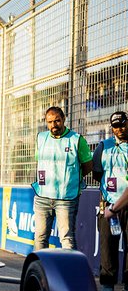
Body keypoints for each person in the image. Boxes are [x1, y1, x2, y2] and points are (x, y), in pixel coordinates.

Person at [32, 106, 93, 250]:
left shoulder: (76, 140)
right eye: (50, 122)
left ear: (64, 119)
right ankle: (41, 270)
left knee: (67, 238)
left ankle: (70, 272)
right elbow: (40, 161)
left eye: (57, 121)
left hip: (67, 199)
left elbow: (88, 166)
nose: (54, 125)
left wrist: (71, 178)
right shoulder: (40, 138)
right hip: (42, 197)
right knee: (40, 238)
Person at [93, 111, 128, 291]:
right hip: (108, 202)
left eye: (122, 124)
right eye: (116, 126)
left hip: (126, 201)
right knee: (107, 244)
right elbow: (97, 173)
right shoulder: (103, 146)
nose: (120, 129)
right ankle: (107, 282)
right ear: (111, 128)